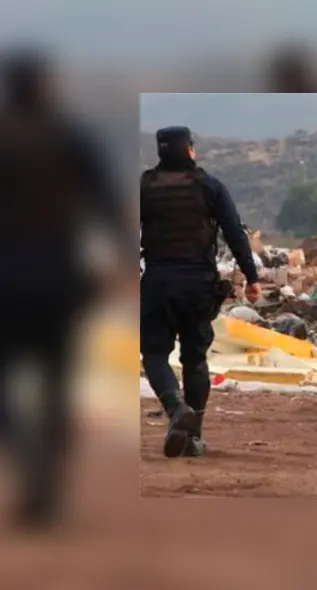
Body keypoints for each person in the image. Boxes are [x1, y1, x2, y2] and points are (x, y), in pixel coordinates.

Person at [0, 49, 132, 527]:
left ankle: (30, 459)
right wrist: (124, 260)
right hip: (60, 276)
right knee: (57, 383)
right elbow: (106, 203)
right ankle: (48, 482)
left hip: (6, 278)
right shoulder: (70, 136)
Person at [140, 126, 262, 458]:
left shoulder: (145, 187)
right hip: (198, 284)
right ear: (190, 150)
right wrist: (252, 277)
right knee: (195, 358)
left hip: (158, 281)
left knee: (154, 354)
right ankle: (193, 437)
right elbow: (234, 234)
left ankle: (174, 407)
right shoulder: (209, 186)